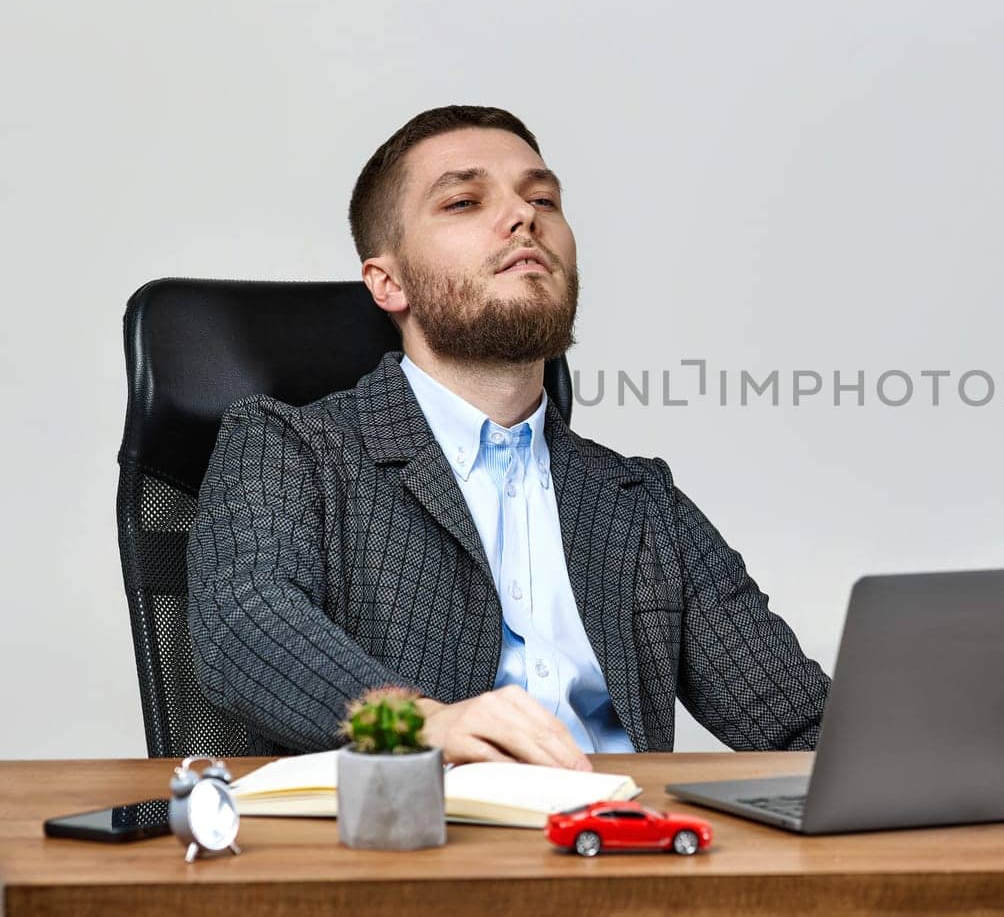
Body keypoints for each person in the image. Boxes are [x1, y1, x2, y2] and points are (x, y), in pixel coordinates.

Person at [186, 105, 830, 768]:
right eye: (464, 200)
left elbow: (799, 720)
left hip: (625, 847)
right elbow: (241, 626)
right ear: (388, 281)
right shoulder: (291, 446)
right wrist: (417, 723)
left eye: (543, 197)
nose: (524, 216)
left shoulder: (642, 501)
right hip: (420, 845)